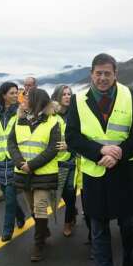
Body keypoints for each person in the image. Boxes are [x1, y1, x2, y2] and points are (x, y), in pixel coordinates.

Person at [65, 52, 133, 266]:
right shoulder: (78, 101)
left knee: (128, 224)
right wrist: (99, 151)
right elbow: (73, 137)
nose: (102, 78)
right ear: (91, 74)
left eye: (107, 73)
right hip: (94, 174)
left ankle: (129, 254)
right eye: (98, 73)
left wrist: (118, 153)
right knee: (98, 230)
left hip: (124, 173)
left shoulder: (131, 97)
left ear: (115, 74)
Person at [8, 88, 61, 261]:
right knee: (32, 208)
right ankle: (43, 230)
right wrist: (20, 162)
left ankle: (38, 244)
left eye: (28, 98)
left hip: (43, 173)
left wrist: (32, 165)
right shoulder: (19, 120)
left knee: (39, 208)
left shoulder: (53, 122)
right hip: (23, 172)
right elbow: (11, 143)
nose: (23, 100)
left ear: (36, 101)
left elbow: (53, 148)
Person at [0, 82, 27, 240]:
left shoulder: (21, 111)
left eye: (16, 93)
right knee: (6, 194)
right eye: (11, 93)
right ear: (3, 94)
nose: (15, 96)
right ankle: (20, 215)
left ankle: (7, 230)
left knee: (10, 196)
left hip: (13, 159)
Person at [51, 85, 79, 237]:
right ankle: (72, 209)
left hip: (72, 160)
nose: (68, 97)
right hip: (53, 162)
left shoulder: (75, 114)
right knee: (61, 194)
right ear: (57, 97)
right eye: (64, 94)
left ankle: (68, 223)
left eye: (69, 94)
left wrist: (70, 145)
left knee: (70, 191)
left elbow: (82, 136)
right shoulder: (50, 115)